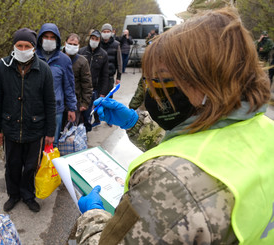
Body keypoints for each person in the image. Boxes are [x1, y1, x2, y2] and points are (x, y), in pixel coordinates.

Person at [72, 8, 274, 244]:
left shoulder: (166, 181)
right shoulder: (264, 130)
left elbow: (186, 171)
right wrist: (135, 123)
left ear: (205, 81)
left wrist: (92, 216)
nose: (154, 91)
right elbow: (202, 153)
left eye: (163, 80)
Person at [0, 28, 56, 213]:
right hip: (10, 127)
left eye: (27, 46)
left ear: (34, 48)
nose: (23, 48)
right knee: (12, 164)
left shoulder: (43, 69)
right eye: (20, 45)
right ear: (14, 46)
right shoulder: (2, 66)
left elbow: (50, 103)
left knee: (29, 166)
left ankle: (28, 194)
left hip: (35, 128)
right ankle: (14, 194)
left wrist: (50, 132)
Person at [36, 23, 77, 147]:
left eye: (52, 37)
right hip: (35, 109)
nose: (49, 40)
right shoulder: (32, 57)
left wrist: (71, 108)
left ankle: (50, 166)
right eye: (46, 37)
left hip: (56, 110)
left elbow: (69, 86)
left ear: (57, 40)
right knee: (35, 143)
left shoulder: (64, 60)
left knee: (52, 142)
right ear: (40, 39)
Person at [78, 30, 109, 130]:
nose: (94, 41)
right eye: (92, 38)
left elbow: (105, 75)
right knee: (77, 114)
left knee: (88, 115)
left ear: (100, 40)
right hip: (80, 89)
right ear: (89, 38)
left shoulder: (103, 55)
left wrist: (103, 92)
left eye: (96, 39)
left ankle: (85, 133)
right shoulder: (81, 52)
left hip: (94, 90)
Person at [63, 33, 93, 126]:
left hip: (75, 102)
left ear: (79, 45)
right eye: (70, 43)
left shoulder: (82, 61)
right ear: (65, 43)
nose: (72, 46)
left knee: (71, 132)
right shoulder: (58, 58)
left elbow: (87, 84)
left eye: (75, 45)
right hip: (59, 101)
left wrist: (85, 103)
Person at [100, 23, 122, 93]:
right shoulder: (98, 44)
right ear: (101, 32)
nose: (106, 33)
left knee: (108, 98)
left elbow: (119, 61)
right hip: (98, 76)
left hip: (109, 76)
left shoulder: (116, 44)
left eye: (108, 31)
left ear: (111, 32)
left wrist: (118, 77)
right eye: (104, 32)